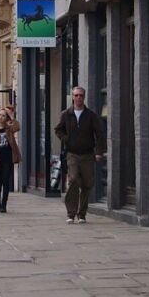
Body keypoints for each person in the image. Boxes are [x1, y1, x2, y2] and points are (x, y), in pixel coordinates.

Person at [54, 86, 106, 224]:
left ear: (84, 97)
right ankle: (71, 213)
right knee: (74, 180)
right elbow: (58, 130)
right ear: (72, 97)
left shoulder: (91, 115)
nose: (78, 98)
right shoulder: (66, 114)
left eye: (81, 95)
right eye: (76, 95)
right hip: (72, 154)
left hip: (88, 154)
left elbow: (100, 134)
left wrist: (99, 152)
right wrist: (66, 139)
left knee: (87, 184)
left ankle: (82, 214)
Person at [0, 109, 21, 213]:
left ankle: (4, 204)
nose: (1, 117)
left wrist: (12, 116)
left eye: (4, 116)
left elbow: (17, 127)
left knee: (6, 181)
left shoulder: (9, 129)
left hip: (8, 157)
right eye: (0, 115)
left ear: (6, 118)